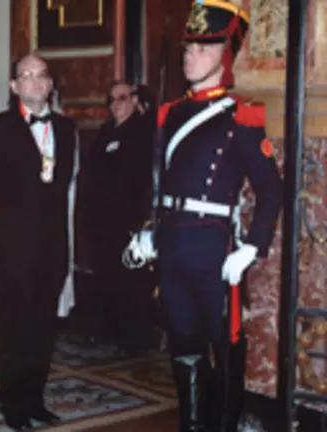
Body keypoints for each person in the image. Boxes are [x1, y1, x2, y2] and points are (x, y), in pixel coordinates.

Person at [124, 1, 282, 430]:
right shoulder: (169, 113)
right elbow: (157, 179)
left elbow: (271, 188)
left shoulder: (241, 115)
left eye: (202, 48)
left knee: (223, 344)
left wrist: (251, 247)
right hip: (172, 243)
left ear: (224, 56)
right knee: (183, 345)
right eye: (188, 48)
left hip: (214, 248)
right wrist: (148, 230)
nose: (190, 56)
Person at [0, 53, 77, 430]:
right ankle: (13, 404)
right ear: (14, 86)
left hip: (53, 249)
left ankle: (35, 400)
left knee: (43, 330)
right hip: (12, 250)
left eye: (42, 75)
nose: (35, 81)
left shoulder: (66, 129)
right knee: (14, 331)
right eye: (27, 75)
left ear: (50, 84)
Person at [85, 80, 155, 355]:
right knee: (107, 277)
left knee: (131, 282)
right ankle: (110, 331)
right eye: (112, 99)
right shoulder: (105, 132)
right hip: (104, 221)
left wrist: (142, 221)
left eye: (123, 98)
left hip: (129, 220)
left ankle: (134, 339)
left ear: (135, 101)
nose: (116, 104)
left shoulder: (144, 133)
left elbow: (144, 181)